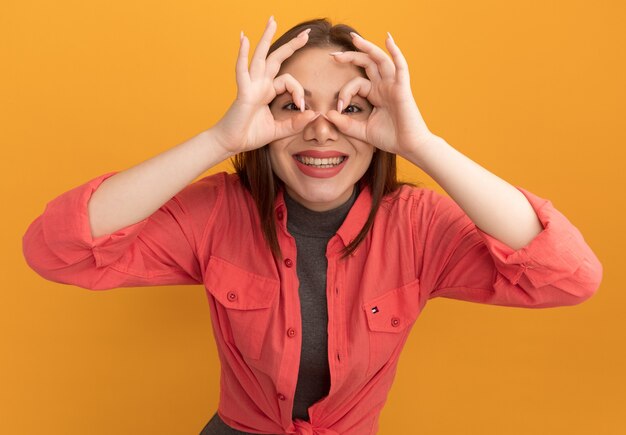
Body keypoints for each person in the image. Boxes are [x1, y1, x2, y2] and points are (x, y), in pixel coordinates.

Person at [22, 16, 603, 435]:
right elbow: (59, 250)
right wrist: (220, 139)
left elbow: (568, 277)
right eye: (293, 105)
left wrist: (421, 144)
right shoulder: (220, 212)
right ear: (262, 118)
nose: (322, 129)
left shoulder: (418, 226)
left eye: (351, 108)